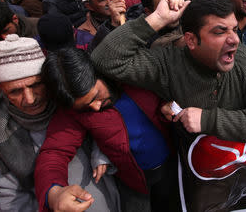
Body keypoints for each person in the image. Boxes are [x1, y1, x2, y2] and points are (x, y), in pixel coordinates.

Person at [91, 0, 246, 209]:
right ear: (191, 40)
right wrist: (157, 19)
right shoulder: (167, 64)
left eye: (234, 30)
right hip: (193, 185)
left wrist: (207, 119)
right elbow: (106, 59)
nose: (235, 40)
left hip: (242, 178)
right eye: (220, 31)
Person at [0, 35, 120, 211]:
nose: (30, 99)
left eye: (35, 85)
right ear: (0, 89)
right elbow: (8, 194)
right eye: (16, 91)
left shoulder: (69, 101)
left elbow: (105, 120)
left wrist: (101, 151)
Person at [36, 47, 177, 212]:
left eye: (96, 96)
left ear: (98, 72)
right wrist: (54, 193)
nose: (95, 107)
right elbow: (54, 152)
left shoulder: (132, 70)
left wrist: (166, 107)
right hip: (135, 184)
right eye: (85, 107)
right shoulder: (72, 113)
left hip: (173, 167)